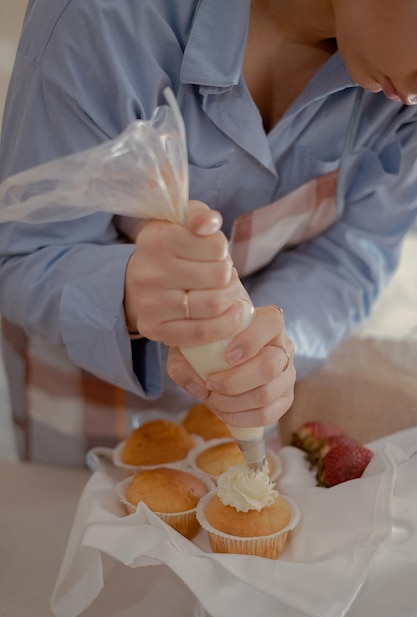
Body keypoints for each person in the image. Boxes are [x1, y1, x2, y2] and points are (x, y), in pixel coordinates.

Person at [0, 0, 416, 465]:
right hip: (84, 390)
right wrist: (127, 294)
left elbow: (353, 254)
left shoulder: (400, 93)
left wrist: (272, 347)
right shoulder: (101, 16)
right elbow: (22, 255)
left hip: (250, 413)